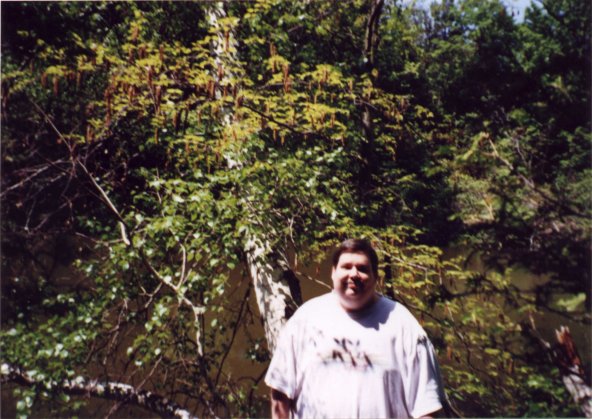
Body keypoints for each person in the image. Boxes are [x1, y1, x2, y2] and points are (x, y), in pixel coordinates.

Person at [265, 239, 445, 418]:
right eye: (346, 267)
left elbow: (427, 409)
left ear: (375, 276)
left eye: (363, 269)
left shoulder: (404, 326)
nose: (354, 274)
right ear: (333, 273)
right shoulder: (304, 321)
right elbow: (280, 394)